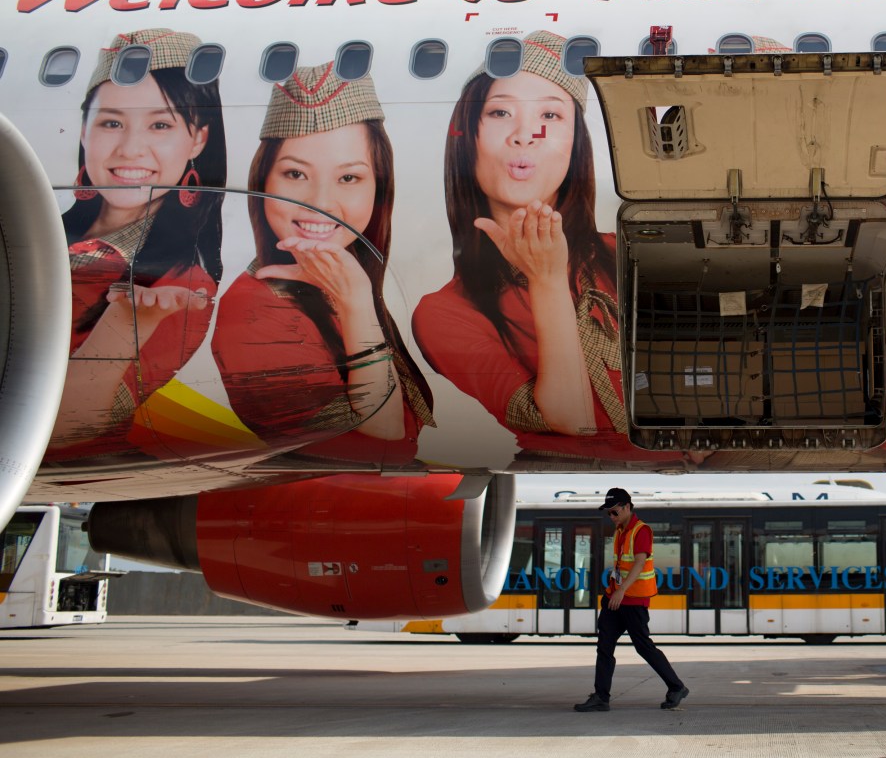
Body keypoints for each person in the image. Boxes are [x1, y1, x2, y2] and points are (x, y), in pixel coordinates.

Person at [413, 30, 676, 463]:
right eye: (499, 112)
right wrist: (548, 281)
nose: (525, 135)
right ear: (468, 139)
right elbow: (573, 420)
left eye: (551, 116)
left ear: (576, 147)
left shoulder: (631, 256)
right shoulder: (444, 313)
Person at [211, 62, 433, 463]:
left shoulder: (340, 281)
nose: (319, 203)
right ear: (263, 183)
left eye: (349, 178)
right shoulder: (255, 312)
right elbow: (382, 442)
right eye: (295, 174)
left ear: (378, 189)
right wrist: (357, 305)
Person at [53, 28, 227, 458]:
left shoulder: (183, 287)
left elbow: (65, 431)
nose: (130, 149)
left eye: (160, 124)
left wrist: (126, 325)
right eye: (111, 122)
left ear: (197, 140)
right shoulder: (30, 238)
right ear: (83, 131)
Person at [574, 488, 689, 712]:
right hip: (615, 600)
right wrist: (612, 592)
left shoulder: (641, 530)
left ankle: (676, 687)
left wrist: (622, 590)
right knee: (604, 646)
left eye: (615, 512)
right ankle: (601, 696)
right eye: (608, 513)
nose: (611, 517)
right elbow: (621, 565)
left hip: (634, 600)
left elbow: (638, 563)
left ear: (627, 507)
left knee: (643, 647)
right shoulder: (619, 531)